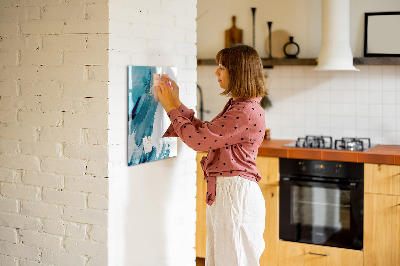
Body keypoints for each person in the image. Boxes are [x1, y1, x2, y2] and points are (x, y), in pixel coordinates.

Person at [155, 44, 267, 266]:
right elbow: (206, 133)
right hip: (230, 195)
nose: (217, 73)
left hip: (235, 197)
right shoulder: (240, 106)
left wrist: (170, 108)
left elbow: (198, 141)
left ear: (238, 72)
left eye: (222, 67)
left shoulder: (244, 111)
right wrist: (176, 104)